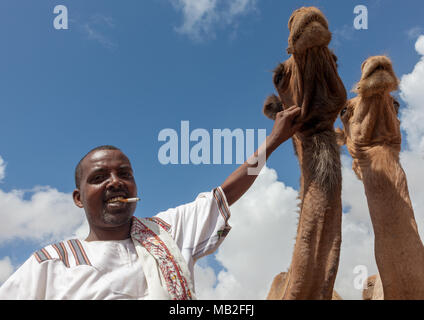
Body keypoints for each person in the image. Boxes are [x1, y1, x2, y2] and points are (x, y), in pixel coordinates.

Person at [0, 106, 301, 299]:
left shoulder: (167, 232)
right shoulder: (49, 264)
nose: (115, 181)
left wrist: (272, 141)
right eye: (99, 177)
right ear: (78, 198)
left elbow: (228, 192)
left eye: (124, 174)